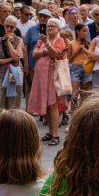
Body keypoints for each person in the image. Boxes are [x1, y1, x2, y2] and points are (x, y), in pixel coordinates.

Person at [28, 17, 68, 146]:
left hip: (53, 76)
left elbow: (55, 53)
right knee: (47, 104)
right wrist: (46, 50)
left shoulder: (60, 40)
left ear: (58, 29)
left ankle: (55, 134)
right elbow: (34, 53)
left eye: (53, 26)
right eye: (49, 26)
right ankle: (50, 132)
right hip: (42, 76)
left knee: (53, 104)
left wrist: (46, 45)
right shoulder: (42, 40)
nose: (50, 28)